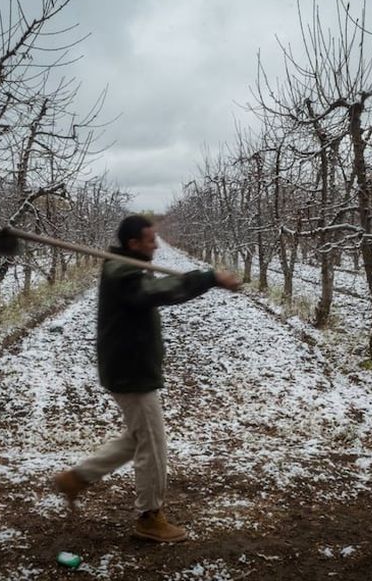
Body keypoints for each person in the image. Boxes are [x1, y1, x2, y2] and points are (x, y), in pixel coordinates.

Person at [54, 214, 241, 542]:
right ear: (133, 244)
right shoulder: (122, 273)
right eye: (151, 239)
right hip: (131, 372)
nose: (157, 244)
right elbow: (155, 291)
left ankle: (77, 478)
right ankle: (149, 517)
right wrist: (208, 278)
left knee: (139, 437)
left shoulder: (127, 267)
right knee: (153, 445)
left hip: (131, 367)